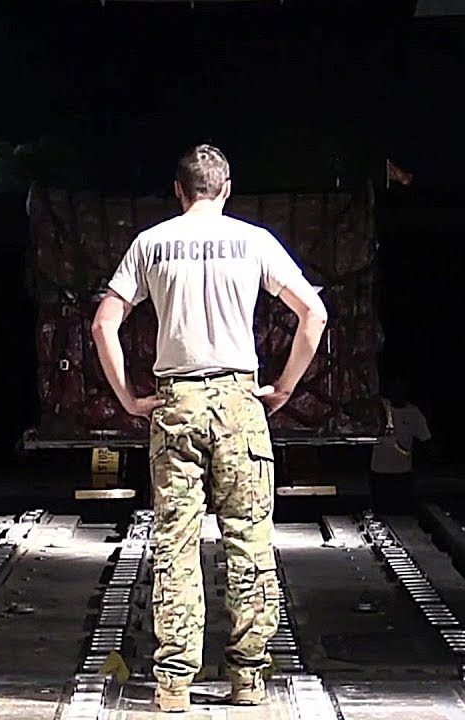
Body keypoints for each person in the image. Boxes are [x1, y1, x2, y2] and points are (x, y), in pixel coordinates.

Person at [92, 144, 327, 712]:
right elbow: (314, 314)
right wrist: (285, 387)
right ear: (226, 189)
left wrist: (129, 399)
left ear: (178, 190)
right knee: (249, 543)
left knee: (175, 545)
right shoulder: (254, 241)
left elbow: (103, 325)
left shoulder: (151, 244)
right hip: (240, 402)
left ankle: (173, 685)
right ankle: (247, 680)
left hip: (175, 404)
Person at [369, 378, 433, 512]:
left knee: (402, 511)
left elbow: (425, 439)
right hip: (379, 471)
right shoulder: (380, 408)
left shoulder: (414, 413)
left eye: (400, 389)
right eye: (394, 389)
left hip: (402, 472)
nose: (396, 393)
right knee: (379, 511)